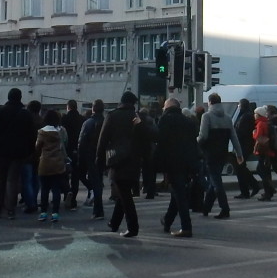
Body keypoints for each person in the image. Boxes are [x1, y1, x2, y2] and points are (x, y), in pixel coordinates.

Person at [98, 91, 154, 237]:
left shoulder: (112, 115)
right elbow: (147, 139)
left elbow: (103, 139)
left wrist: (99, 159)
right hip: (134, 160)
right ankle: (114, 223)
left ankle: (132, 227)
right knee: (124, 191)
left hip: (117, 159)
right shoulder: (138, 117)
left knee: (124, 193)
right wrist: (146, 159)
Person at [0, 88, 36, 219]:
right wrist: (29, 151)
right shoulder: (25, 114)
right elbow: (31, 135)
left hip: (2, 151)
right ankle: (10, 209)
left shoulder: (0, 112)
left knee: (0, 179)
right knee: (12, 180)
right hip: (19, 152)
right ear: (20, 97)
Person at [156, 98, 199, 237]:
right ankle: (167, 221)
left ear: (168, 107)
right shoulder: (189, 122)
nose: (163, 109)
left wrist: (159, 164)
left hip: (172, 163)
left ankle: (186, 227)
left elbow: (161, 141)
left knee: (179, 195)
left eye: (164, 106)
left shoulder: (165, 120)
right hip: (187, 163)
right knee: (177, 192)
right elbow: (193, 144)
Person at [197, 94, 237, 219]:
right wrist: (239, 153)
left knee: (216, 182)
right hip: (222, 153)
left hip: (210, 153)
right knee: (214, 180)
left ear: (210, 102)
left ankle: (225, 208)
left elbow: (203, 136)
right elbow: (234, 137)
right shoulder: (227, 117)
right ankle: (206, 208)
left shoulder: (206, 116)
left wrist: (195, 142)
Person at [35, 109, 69, 223]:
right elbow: (65, 144)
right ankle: (55, 213)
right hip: (58, 163)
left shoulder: (41, 132)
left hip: (44, 163)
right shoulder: (60, 131)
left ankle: (43, 212)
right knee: (56, 189)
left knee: (44, 189)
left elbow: (37, 147)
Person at [251, 104, 277, 198]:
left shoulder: (271, 121)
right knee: (268, 169)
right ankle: (272, 189)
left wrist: (254, 133)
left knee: (267, 169)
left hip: (272, 149)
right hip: (275, 147)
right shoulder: (275, 120)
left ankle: (271, 189)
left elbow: (261, 136)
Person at [77, 99, 107, 218]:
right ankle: (98, 209)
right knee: (98, 180)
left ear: (93, 109)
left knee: (92, 181)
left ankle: (98, 210)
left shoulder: (88, 123)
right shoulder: (105, 122)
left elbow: (82, 142)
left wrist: (80, 157)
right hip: (102, 155)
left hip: (90, 155)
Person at [61, 99, 86, 209]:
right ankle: (73, 199)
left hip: (66, 150)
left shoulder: (64, 119)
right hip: (79, 150)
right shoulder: (82, 119)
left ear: (68, 107)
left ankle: (67, 194)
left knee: (64, 174)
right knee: (75, 176)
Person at [232, 99, 259, 198]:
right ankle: (249, 188)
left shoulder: (246, 116)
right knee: (241, 167)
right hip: (244, 145)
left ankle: (250, 188)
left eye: (239, 105)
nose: (238, 107)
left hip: (244, 145)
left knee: (240, 167)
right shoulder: (246, 115)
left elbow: (242, 131)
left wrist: (235, 133)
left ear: (242, 105)